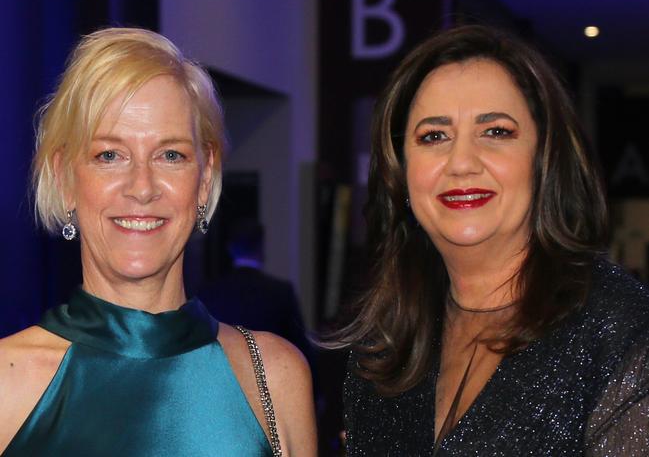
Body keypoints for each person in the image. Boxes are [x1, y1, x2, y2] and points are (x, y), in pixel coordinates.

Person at [0, 27, 316, 456]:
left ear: (204, 180)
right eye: (109, 155)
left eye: (171, 155)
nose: (142, 187)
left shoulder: (276, 376)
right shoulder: (6, 383)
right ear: (64, 177)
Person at [336, 25, 649, 455]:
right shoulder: (382, 351)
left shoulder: (620, 328)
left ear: (544, 160)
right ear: (401, 173)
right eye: (434, 136)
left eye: (496, 132)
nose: (461, 162)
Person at [200, 218, 314, 368]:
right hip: (271, 380)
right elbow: (301, 349)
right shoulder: (280, 292)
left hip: (224, 380)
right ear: (261, 246)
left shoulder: (209, 293)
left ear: (230, 248)